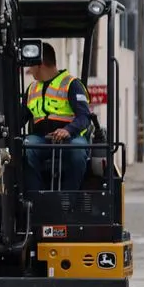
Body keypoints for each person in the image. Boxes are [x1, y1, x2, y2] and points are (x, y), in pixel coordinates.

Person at [22, 43, 92, 192]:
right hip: (41, 139)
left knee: (78, 151)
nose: (29, 70)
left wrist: (68, 130)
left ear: (40, 64)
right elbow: (20, 117)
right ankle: (37, 196)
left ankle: (68, 197)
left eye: (31, 65)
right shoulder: (32, 89)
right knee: (25, 148)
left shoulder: (72, 84)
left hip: (71, 138)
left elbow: (84, 116)